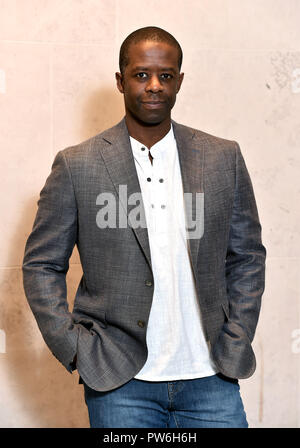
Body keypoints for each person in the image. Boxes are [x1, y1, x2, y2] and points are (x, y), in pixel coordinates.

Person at [22, 26, 266, 428]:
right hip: (120, 382)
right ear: (120, 81)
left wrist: (237, 336)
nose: (154, 86)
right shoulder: (77, 165)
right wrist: (74, 347)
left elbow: (248, 257)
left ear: (179, 81)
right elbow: (41, 265)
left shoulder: (223, 157)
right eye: (140, 75)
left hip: (211, 376)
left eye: (165, 76)